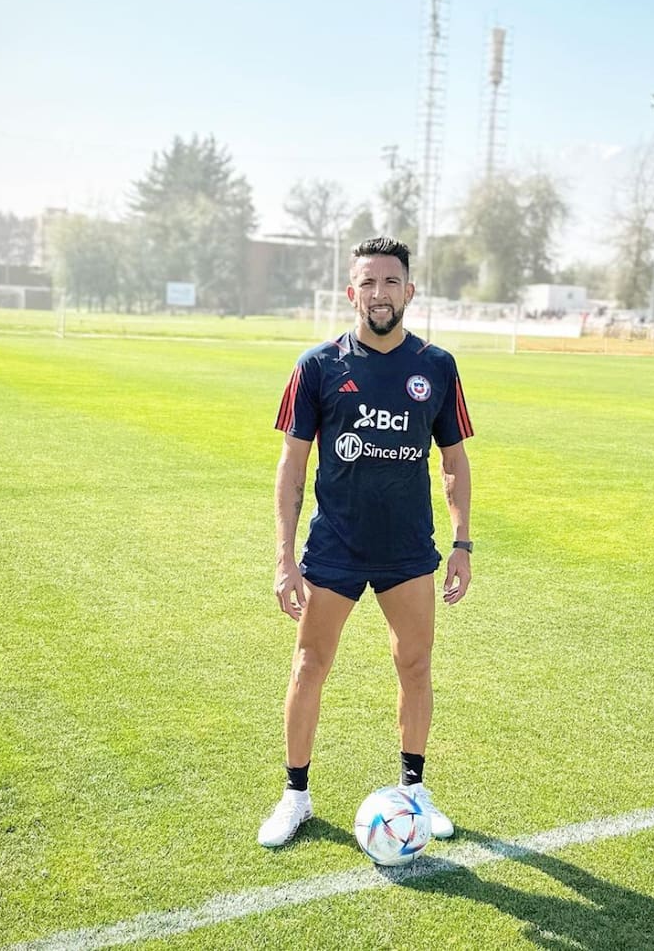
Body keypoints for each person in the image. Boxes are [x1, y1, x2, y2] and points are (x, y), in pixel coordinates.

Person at [258, 236, 474, 849]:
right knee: (309, 665)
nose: (379, 294)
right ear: (352, 293)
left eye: (391, 282)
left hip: (408, 550)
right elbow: (291, 468)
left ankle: (413, 793)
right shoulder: (318, 365)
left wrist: (462, 543)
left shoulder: (437, 366)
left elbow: (453, 461)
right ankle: (295, 796)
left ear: (410, 291)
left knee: (414, 665)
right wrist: (284, 557)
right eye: (368, 283)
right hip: (335, 549)